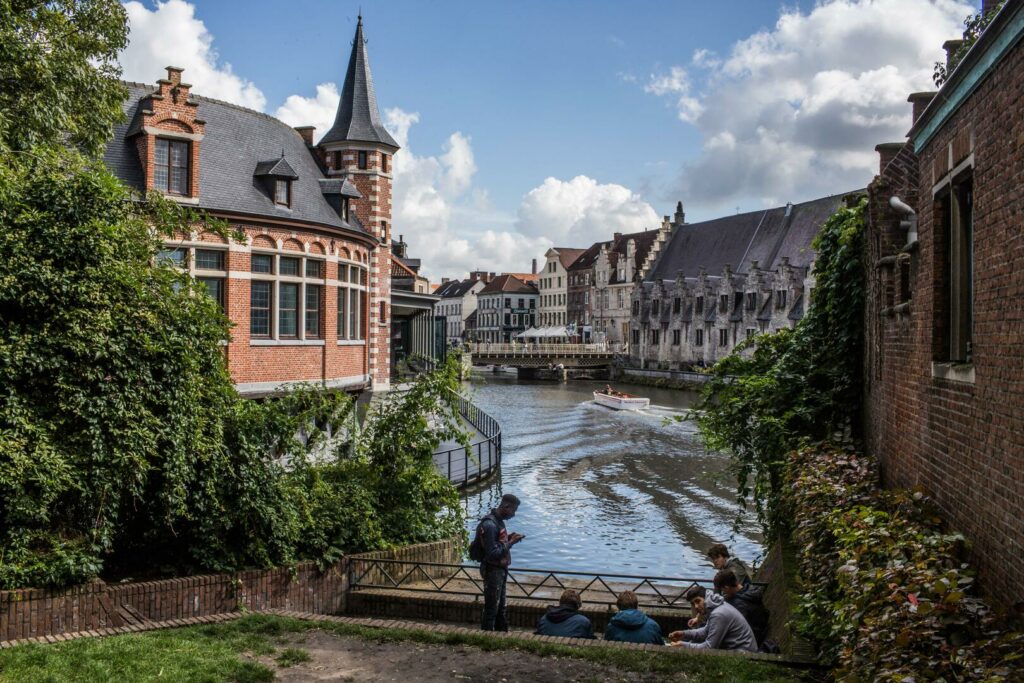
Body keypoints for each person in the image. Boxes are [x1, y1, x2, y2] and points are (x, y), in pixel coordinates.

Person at [476, 493, 524, 631]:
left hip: (499, 570)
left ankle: (501, 635)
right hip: (492, 571)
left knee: (501, 608)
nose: (513, 515)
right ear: (506, 506)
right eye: (513, 510)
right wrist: (511, 543)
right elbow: (492, 553)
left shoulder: (498, 522)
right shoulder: (490, 524)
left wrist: (509, 538)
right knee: (492, 609)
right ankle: (487, 637)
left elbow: (497, 543)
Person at [669, 585, 757, 652]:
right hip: (742, 649)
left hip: (744, 653)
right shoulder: (716, 605)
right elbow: (705, 632)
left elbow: (709, 648)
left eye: (698, 601)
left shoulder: (718, 614)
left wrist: (683, 645)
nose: (695, 606)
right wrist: (684, 634)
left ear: (705, 598)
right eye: (693, 604)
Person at [715, 569, 769, 647]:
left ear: (726, 587)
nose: (723, 593)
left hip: (750, 641)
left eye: (722, 590)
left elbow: (736, 629)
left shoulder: (739, 605)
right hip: (759, 631)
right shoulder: (750, 589)